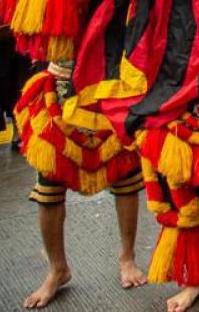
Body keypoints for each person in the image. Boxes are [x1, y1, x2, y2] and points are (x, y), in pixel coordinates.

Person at [15, 60, 147, 308]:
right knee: (49, 185)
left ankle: (127, 258)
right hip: (61, 86)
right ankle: (57, 269)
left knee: (125, 175)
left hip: (110, 80)